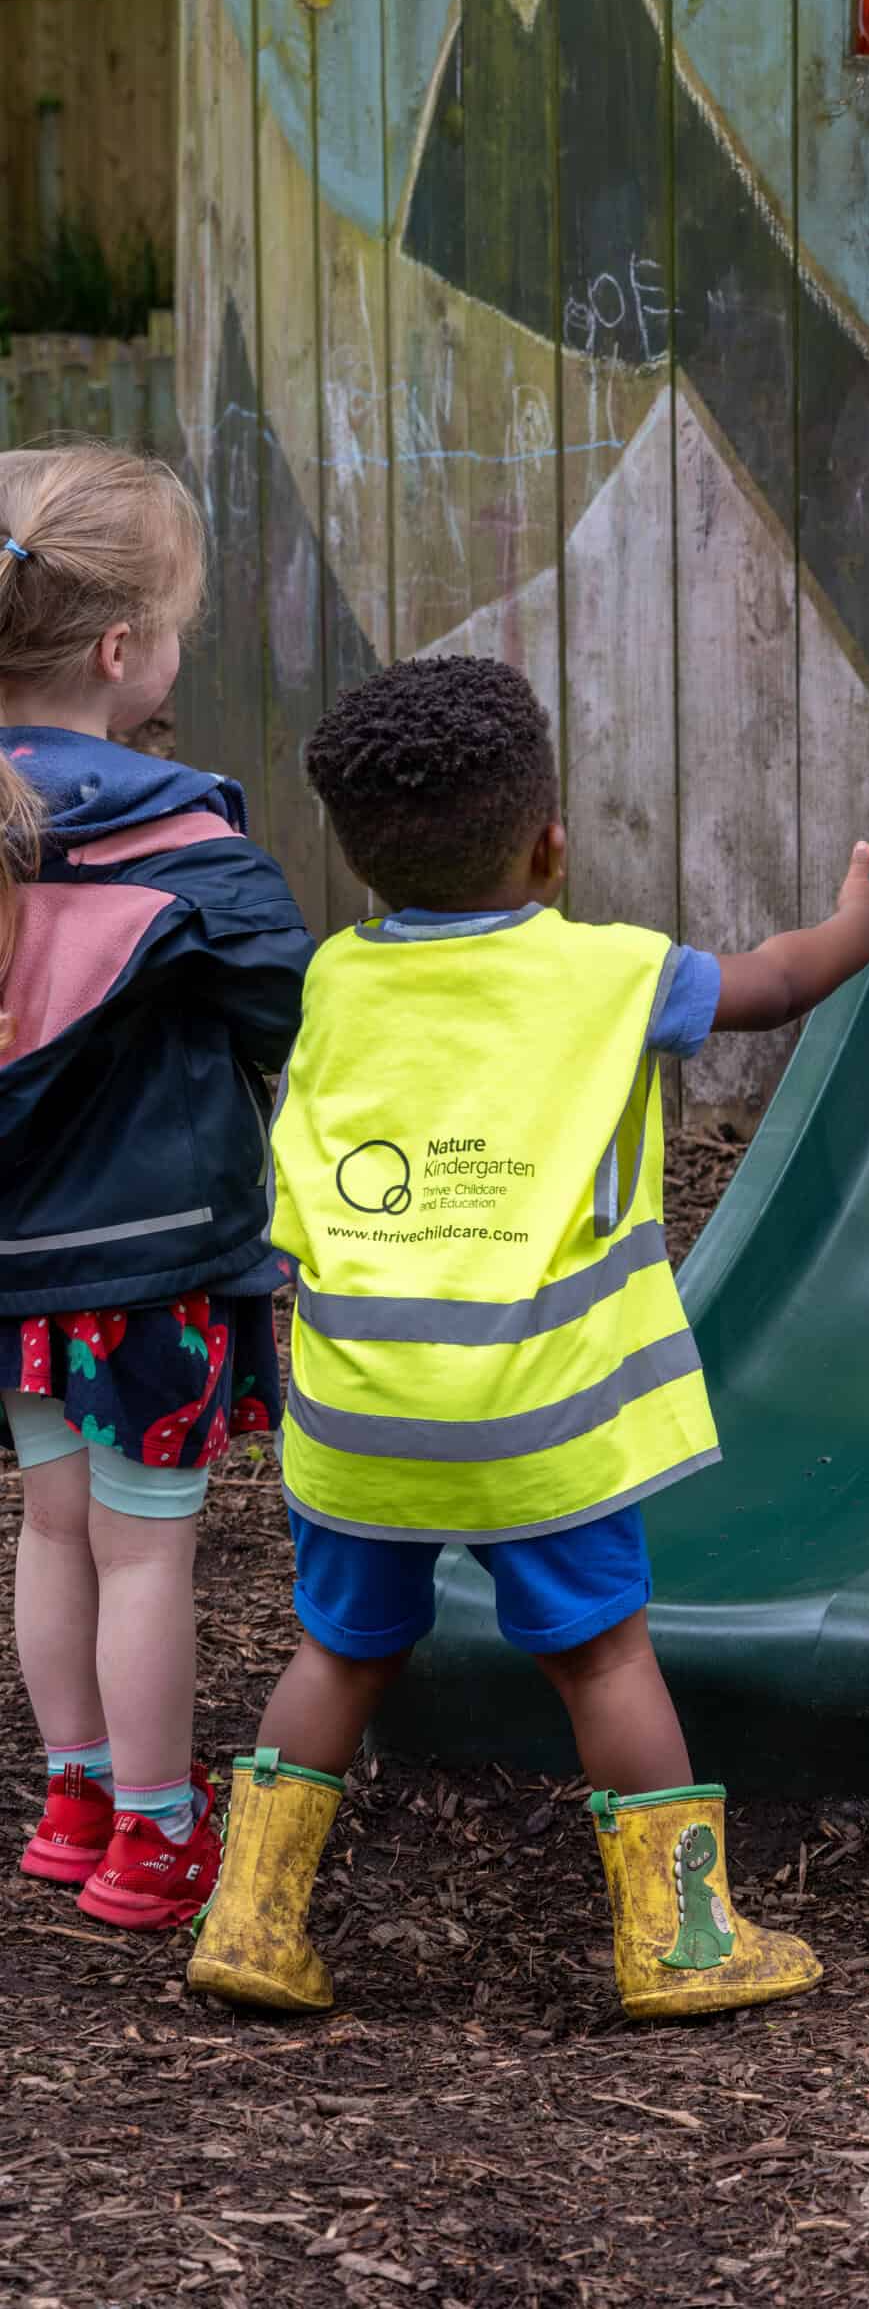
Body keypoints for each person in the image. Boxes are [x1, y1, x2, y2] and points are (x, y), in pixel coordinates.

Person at [187, 654, 869, 2023]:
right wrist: (859, 926)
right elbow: (767, 987)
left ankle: (250, 1916)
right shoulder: (608, 971)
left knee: (341, 1651)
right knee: (602, 1657)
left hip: (359, 1410)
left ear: (363, 867)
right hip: (541, 1419)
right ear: (550, 844)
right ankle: (680, 1941)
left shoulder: (338, 983)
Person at [0, 444, 309, 1929]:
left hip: (13, 1275)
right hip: (152, 1271)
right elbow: (294, 1025)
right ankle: (157, 1834)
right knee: (145, 1553)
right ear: (123, 652)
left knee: (49, 1529)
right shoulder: (188, 844)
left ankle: (71, 1800)